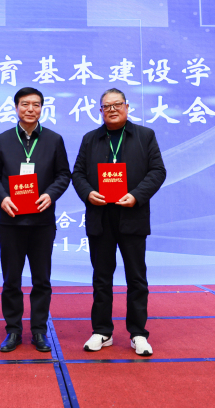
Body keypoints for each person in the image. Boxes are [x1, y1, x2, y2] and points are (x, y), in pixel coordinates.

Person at [71, 88, 166, 356]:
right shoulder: (90, 139)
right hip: (100, 218)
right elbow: (77, 173)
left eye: (117, 104)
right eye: (106, 106)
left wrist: (136, 196)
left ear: (127, 106)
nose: (112, 110)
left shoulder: (145, 136)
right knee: (101, 278)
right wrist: (88, 193)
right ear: (100, 111)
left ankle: (138, 333)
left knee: (136, 278)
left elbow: (158, 171)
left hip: (132, 216)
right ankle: (102, 331)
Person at [0, 87, 71, 353]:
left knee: (41, 280)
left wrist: (50, 194)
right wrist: (2, 198)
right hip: (11, 221)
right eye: (25, 104)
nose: (30, 109)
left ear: (42, 108)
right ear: (16, 108)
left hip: (42, 222)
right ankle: (13, 331)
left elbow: (64, 174)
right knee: (11, 280)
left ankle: (39, 331)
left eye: (36, 104)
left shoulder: (54, 139)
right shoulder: (2, 140)